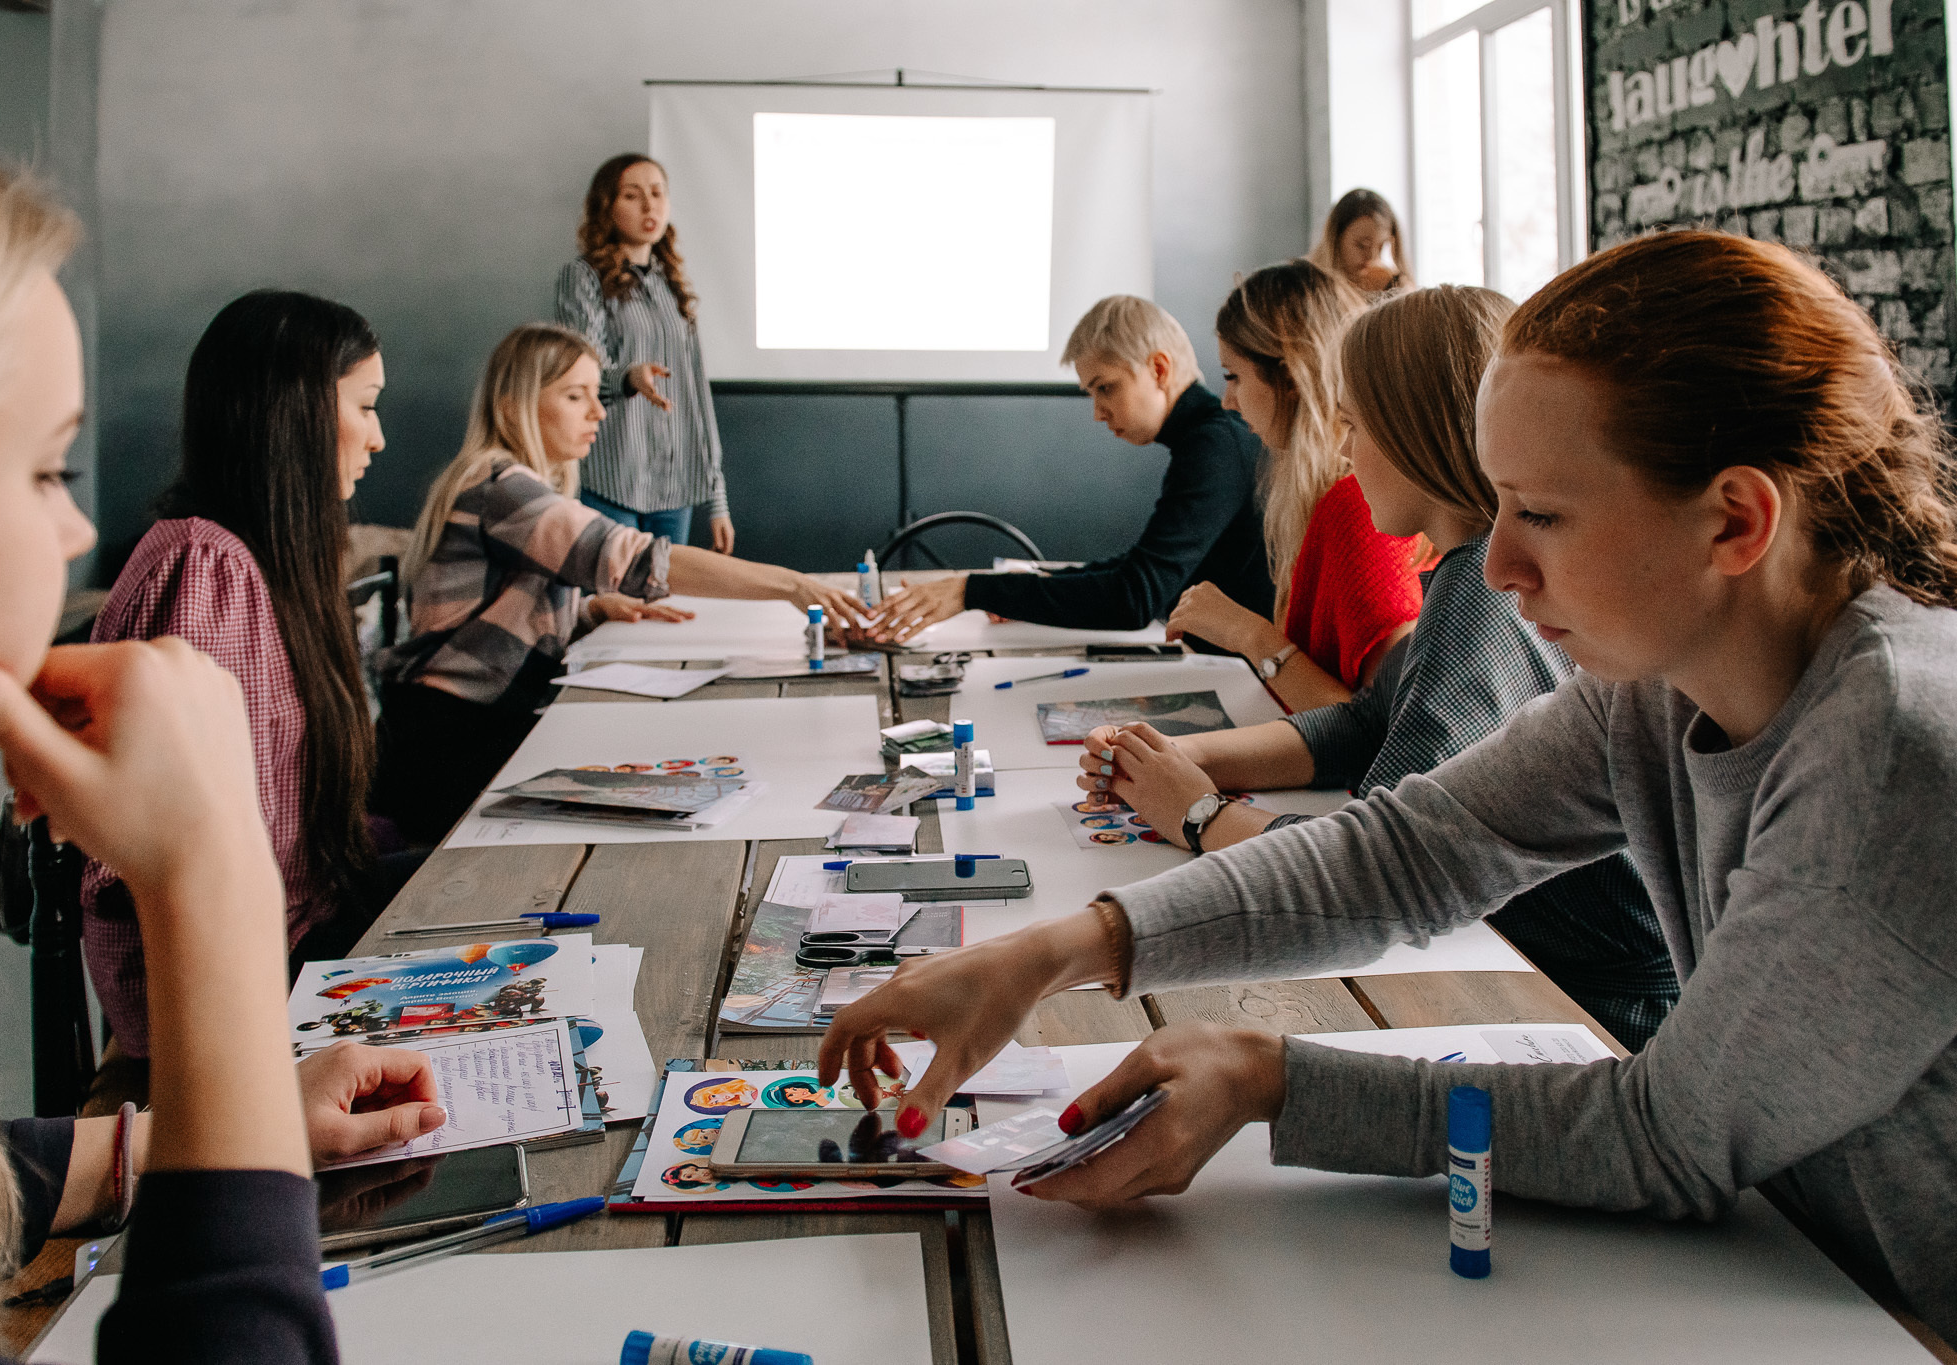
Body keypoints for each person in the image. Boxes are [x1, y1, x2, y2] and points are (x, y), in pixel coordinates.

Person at [820, 231, 1957, 1341]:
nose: (1498, 565)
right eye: (1498, 506)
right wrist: (1052, 953)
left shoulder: (1888, 749)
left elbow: (1664, 1135)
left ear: (1735, 521)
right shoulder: (1657, 682)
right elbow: (1409, 851)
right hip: (1788, 1271)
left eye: (1543, 515)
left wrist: (1272, 1077)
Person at [0, 134, 443, 1363]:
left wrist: (203, 1130)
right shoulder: (205, 563)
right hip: (215, 1010)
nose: (80, 526)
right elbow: (164, 873)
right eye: (48, 466)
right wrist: (212, 901)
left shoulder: (251, 562)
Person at [1075, 285, 1676, 1049]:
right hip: (1522, 966)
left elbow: (1377, 865)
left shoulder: (1484, 599)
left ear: (1415, 435)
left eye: (1356, 426)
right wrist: (1179, 757)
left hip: (1589, 1012)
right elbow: (1365, 720)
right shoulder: (1465, 574)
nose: (1346, 453)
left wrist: (1197, 814)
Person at [81, 291, 407, 1076]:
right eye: (364, 407)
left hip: (285, 942)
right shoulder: (206, 567)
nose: (380, 437)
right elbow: (188, 860)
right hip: (228, 1001)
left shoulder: (253, 558)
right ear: (292, 413)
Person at [379, 322, 862, 844]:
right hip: (452, 740)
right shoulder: (505, 488)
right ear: (512, 403)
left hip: (458, 724)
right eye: (573, 396)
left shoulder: (505, 481)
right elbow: (640, 560)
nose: (598, 412)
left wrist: (591, 611)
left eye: (595, 394)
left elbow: (496, 612)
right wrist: (792, 586)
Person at [860, 296, 1272, 648]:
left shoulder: (1214, 445)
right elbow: (1139, 569)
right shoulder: (1208, 440)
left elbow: (1135, 596)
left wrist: (973, 590)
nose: (1097, 412)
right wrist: (1023, 586)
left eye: (1106, 387)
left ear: (1159, 370)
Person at [1166, 261, 1423, 713]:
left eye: (1233, 377)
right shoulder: (1322, 494)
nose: (1228, 400)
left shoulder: (1358, 505)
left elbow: (1382, 731)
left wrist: (1246, 633)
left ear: (1288, 377)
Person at [555, 153, 732, 551]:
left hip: (674, 489)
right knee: (616, 605)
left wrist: (717, 501)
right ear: (607, 207)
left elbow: (696, 396)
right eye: (633, 196)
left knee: (663, 606)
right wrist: (629, 378)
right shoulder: (582, 278)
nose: (649, 206)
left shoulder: (673, 284)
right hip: (611, 481)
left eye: (657, 194)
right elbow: (580, 378)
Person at [1306, 188, 1409, 296]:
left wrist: (1402, 287)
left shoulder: (1391, 285)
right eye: (1362, 245)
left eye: (1381, 246)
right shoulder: (1305, 286)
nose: (1372, 256)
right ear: (1335, 239)